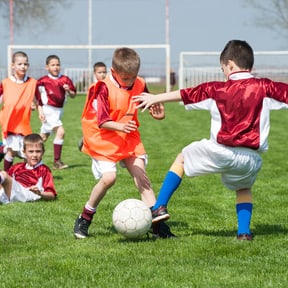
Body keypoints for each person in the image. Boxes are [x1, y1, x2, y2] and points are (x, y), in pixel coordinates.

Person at [132, 39, 288, 241]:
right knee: (243, 188)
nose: (223, 72)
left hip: (221, 151)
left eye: (223, 68)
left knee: (181, 159)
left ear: (230, 64)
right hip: (251, 159)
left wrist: (155, 98)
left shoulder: (217, 89)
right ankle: (244, 233)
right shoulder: (266, 87)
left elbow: (186, 94)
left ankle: (159, 206)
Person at [73, 47, 175, 239]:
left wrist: (158, 114)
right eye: (126, 78)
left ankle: (158, 227)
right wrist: (120, 127)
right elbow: (102, 120)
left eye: (134, 77)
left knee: (141, 176)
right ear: (113, 72)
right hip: (103, 138)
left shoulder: (139, 83)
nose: (131, 82)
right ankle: (85, 217)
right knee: (110, 178)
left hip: (128, 135)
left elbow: (149, 103)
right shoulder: (103, 88)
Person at [36, 55, 77, 170]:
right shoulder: (42, 81)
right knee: (61, 132)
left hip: (59, 111)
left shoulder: (65, 79)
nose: (56, 67)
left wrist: (68, 90)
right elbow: (38, 99)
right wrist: (40, 112)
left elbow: (74, 95)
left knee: (43, 137)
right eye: (53, 65)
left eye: (57, 65)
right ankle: (57, 161)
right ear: (47, 67)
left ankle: (27, 154)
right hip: (48, 110)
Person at [0, 51, 38, 171]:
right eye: (20, 64)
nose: (23, 66)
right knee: (12, 151)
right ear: (13, 65)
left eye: (25, 64)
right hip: (9, 124)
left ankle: (26, 178)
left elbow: (37, 101)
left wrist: (34, 105)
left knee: (27, 152)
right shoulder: (5, 83)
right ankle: (6, 175)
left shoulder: (32, 83)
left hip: (24, 124)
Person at [0, 133, 57, 204]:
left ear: (43, 152)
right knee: (3, 175)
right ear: (24, 152)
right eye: (31, 151)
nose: (34, 155)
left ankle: (4, 199)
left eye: (38, 151)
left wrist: (40, 193)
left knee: (4, 175)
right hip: (13, 192)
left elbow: (52, 195)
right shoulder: (17, 167)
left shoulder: (44, 170)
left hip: (28, 193)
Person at [78, 61, 107, 151]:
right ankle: (86, 141)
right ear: (94, 74)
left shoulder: (108, 86)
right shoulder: (93, 87)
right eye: (100, 72)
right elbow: (89, 103)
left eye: (104, 72)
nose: (102, 75)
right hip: (95, 115)